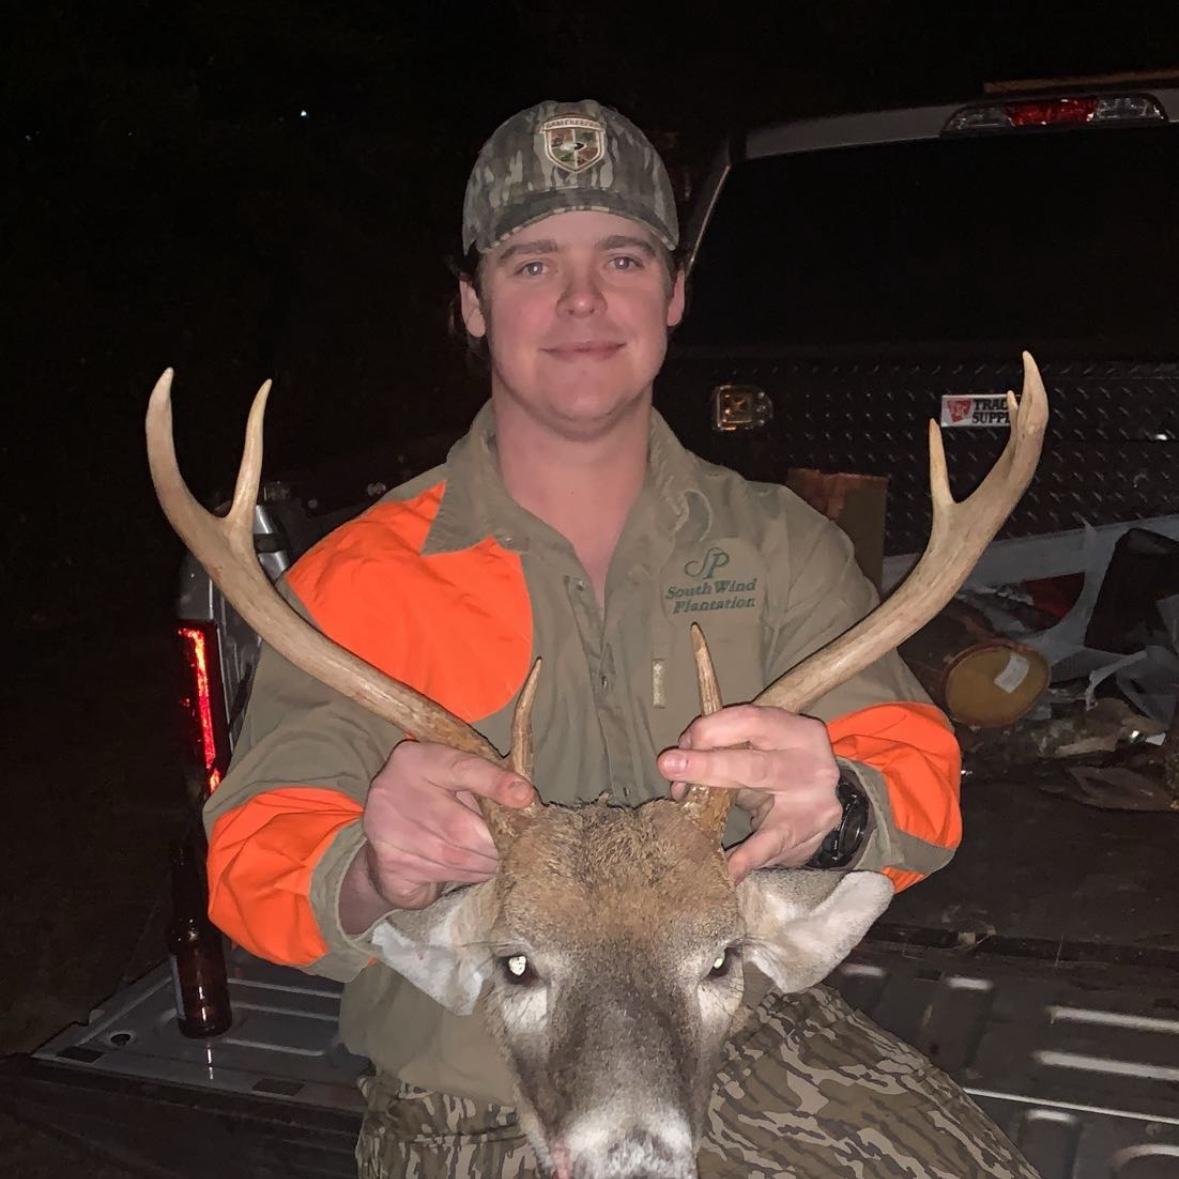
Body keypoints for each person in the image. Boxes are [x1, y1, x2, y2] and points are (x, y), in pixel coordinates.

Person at [205, 99, 1036, 1177]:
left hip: (740, 1031)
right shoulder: (359, 582)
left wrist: (838, 809)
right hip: (477, 1088)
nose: (583, 299)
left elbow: (914, 775)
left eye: (624, 258)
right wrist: (370, 868)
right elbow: (255, 851)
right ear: (472, 303)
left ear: (674, 293)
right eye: (533, 264)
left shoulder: (778, 544)